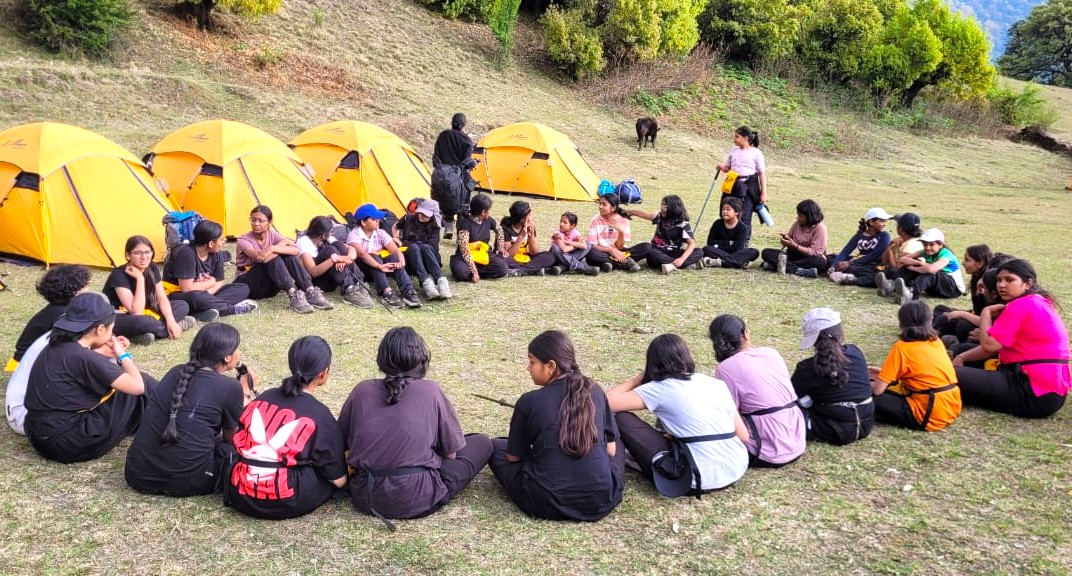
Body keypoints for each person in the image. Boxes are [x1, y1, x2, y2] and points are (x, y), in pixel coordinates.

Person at [339, 327, 492, 527]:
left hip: (366, 495)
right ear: (421, 359)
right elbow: (451, 455)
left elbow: (340, 440)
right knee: (482, 442)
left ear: (382, 359)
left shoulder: (361, 391)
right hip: (419, 496)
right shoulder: (431, 391)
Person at [489, 330, 624, 521]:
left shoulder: (529, 401)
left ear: (551, 366)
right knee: (615, 442)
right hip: (600, 499)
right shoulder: (596, 391)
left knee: (496, 447)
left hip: (544, 501)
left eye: (532, 362)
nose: (528, 369)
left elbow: (513, 457)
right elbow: (610, 450)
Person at [606, 334, 748, 496]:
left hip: (694, 478)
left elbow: (607, 402)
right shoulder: (716, 385)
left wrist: (637, 380)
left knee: (621, 417)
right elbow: (743, 436)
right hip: (736, 468)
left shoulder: (660, 388)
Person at [124, 324, 257, 496]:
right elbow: (231, 437)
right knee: (242, 450)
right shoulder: (230, 387)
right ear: (227, 357)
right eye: (237, 348)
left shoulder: (175, 372)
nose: (239, 353)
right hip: (185, 482)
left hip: (137, 474)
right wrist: (245, 390)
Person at [225, 336, 347, 520]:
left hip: (239, 492)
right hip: (283, 499)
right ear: (324, 373)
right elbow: (339, 480)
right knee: (327, 475)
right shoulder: (321, 416)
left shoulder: (265, 397)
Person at [23, 293, 148, 463]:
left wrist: (102, 352)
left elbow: (80, 364)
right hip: (68, 442)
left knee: (126, 391)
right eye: (111, 330)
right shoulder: (84, 357)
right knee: (138, 388)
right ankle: (173, 414)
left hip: (38, 435)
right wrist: (122, 355)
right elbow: (137, 385)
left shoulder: (56, 344)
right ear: (100, 329)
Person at [953, 259, 1069, 418]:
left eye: (1009, 280)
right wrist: (962, 357)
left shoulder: (1020, 306)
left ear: (1028, 284)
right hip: (1050, 394)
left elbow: (988, 345)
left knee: (948, 375)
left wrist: (986, 312)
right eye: (999, 280)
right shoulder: (1037, 302)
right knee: (963, 352)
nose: (1001, 285)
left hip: (1032, 392)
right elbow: (994, 347)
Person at [709, 314, 806, 467]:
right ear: (745, 334)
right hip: (797, 438)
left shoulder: (725, 368)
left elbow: (731, 413)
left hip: (764, 449)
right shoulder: (770, 352)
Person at [869, 301, 961, 432]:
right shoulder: (936, 342)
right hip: (951, 405)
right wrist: (883, 375)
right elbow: (922, 374)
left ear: (901, 324)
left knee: (866, 394)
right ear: (929, 322)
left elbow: (877, 390)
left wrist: (865, 384)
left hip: (927, 413)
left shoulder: (901, 347)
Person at [790, 308, 874, 445]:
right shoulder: (856, 352)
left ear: (813, 340)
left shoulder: (806, 368)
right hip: (867, 423)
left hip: (832, 429)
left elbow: (791, 397)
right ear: (840, 333)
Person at [234, 205, 330, 314]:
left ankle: (310, 291)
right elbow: (261, 258)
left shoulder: (272, 234)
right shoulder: (243, 240)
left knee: (288, 256)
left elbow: (296, 250)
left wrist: (273, 247)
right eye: (253, 220)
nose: (256, 224)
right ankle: (293, 294)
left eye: (260, 221)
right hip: (250, 284)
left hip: (271, 287)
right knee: (275, 257)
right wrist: (282, 246)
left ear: (270, 223)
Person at [103, 235, 196, 345]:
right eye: (138, 253)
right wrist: (140, 279)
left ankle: (149, 332)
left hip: (147, 311)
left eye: (148, 252)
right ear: (128, 255)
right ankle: (172, 327)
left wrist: (170, 320)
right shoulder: (119, 274)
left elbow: (161, 297)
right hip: (120, 316)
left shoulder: (151, 267)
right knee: (145, 322)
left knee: (182, 305)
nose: (144, 257)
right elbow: (136, 311)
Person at [163, 219, 258, 319]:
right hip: (178, 295)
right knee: (197, 297)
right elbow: (186, 288)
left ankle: (205, 308)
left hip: (206, 294)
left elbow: (219, 281)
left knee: (243, 288)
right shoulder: (186, 254)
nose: (223, 242)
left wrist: (208, 294)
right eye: (221, 240)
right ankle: (231, 309)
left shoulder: (217, 255)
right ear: (211, 244)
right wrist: (211, 282)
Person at [8, 264, 91, 372]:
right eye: (86, 285)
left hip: (31, 357)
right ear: (74, 290)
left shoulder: (59, 308)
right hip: (29, 363)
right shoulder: (63, 314)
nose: (88, 289)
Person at [347, 203, 422, 309]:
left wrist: (401, 260)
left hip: (382, 267)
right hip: (364, 269)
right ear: (363, 222)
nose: (378, 221)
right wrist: (379, 266)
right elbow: (362, 255)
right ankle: (385, 291)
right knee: (373, 255)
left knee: (393, 257)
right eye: (374, 219)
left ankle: (408, 290)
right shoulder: (354, 235)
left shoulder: (380, 232)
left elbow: (395, 249)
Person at [296, 215, 374, 309]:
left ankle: (359, 283)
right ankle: (349, 289)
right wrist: (334, 259)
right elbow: (313, 272)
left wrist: (346, 259)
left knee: (338, 245)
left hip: (331, 277)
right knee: (330, 249)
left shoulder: (328, 238)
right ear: (323, 235)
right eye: (330, 231)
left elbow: (352, 249)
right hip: (316, 283)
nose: (331, 233)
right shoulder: (303, 242)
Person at [877, 228, 965, 304]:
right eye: (925, 244)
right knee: (913, 265)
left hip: (952, 289)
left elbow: (931, 269)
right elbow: (902, 259)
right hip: (936, 287)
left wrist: (917, 265)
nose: (928, 247)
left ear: (940, 245)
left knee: (929, 273)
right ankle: (890, 285)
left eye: (931, 245)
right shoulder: (924, 252)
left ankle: (910, 293)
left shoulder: (946, 254)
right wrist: (914, 264)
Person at [625, 194, 702, 274]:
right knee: (649, 250)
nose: (662, 208)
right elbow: (641, 214)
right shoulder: (658, 217)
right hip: (657, 252)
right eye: (662, 204)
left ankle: (672, 265)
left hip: (675, 253)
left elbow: (691, 243)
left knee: (699, 251)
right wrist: (627, 211)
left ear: (674, 208)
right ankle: (680, 265)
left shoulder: (682, 224)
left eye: (665, 205)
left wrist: (682, 259)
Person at [932, 244, 992, 345]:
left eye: (967, 260)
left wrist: (962, 314)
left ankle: (930, 334)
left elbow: (987, 321)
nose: (963, 263)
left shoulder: (988, 286)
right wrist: (965, 312)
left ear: (980, 263)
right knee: (941, 309)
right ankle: (935, 333)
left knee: (961, 324)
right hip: (975, 318)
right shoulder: (977, 280)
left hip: (982, 326)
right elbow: (977, 311)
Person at [431, 113, 477, 239]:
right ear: (464, 124)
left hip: (441, 176)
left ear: (452, 122)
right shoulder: (467, 141)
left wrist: (442, 170)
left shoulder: (443, 136)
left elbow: (436, 157)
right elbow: (466, 162)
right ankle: (461, 235)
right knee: (464, 204)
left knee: (443, 201)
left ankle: (448, 225)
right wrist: (473, 164)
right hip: (458, 177)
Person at [397, 199, 453, 299]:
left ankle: (441, 280)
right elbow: (395, 227)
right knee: (414, 247)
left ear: (433, 215)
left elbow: (433, 245)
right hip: (411, 258)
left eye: (426, 214)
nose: (422, 216)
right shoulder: (408, 218)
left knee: (426, 247)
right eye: (421, 212)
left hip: (429, 257)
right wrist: (396, 238)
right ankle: (426, 283)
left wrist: (418, 244)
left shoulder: (435, 226)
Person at [759, 199, 828, 278]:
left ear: (810, 216)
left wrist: (795, 245)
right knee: (766, 252)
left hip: (808, 257)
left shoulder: (820, 228)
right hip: (793, 254)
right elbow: (790, 238)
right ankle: (799, 270)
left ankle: (778, 266)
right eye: (798, 215)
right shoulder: (797, 224)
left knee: (820, 261)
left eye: (801, 216)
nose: (798, 218)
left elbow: (815, 252)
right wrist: (785, 240)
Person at [716, 126, 767, 232]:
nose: (734, 139)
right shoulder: (734, 150)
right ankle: (727, 237)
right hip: (733, 184)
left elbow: (761, 174)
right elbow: (727, 167)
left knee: (745, 214)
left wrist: (763, 193)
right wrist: (722, 167)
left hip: (749, 187)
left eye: (737, 137)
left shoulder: (756, 152)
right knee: (727, 210)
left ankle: (744, 242)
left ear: (745, 138)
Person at [450, 193, 510, 282]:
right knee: (460, 272)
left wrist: (500, 247)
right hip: (465, 257)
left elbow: (500, 230)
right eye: (489, 210)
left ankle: (474, 273)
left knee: (502, 268)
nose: (490, 212)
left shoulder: (489, 220)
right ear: (483, 212)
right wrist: (474, 272)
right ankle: (475, 272)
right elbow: (464, 250)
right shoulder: (464, 224)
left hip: (484, 253)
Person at [826, 207, 892, 287]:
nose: (884, 224)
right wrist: (834, 265)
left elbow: (876, 254)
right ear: (871, 222)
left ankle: (850, 277)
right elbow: (846, 251)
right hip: (859, 261)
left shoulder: (884, 235)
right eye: (881, 221)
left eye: (885, 221)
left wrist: (850, 263)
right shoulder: (860, 235)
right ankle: (840, 273)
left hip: (874, 263)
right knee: (830, 259)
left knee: (853, 268)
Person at [584, 192, 649, 273]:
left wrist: (621, 232)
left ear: (613, 208)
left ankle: (609, 264)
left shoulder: (623, 220)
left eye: (604, 204)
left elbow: (619, 246)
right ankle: (626, 263)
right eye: (600, 204)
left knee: (647, 247)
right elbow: (593, 245)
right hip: (603, 251)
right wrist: (611, 250)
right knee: (590, 252)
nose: (600, 207)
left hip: (620, 251)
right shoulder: (595, 220)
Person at [501, 201, 558, 276]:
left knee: (549, 256)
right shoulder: (505, 228)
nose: (531, 217)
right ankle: (533, 269)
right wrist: (521, 236)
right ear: (522, 218)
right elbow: (509, 254)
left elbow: (534, 252)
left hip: (525, 258)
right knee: (503, 260)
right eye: (530, 215)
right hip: (512, 260)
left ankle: (521, 271)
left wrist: (531, 236)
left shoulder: (530, 227)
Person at [700, 197, 759, 269]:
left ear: (736, 212)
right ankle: (737, 263)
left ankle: (721, 262)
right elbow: (710, 242)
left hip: (734, 253)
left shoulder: (742, 228)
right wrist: (729, 243)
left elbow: (738, 248)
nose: (725, 212)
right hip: (719, 252)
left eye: (728, 209)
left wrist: (718, 245)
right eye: (723, 209)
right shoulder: (717, 223)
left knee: (754, 252)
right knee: (706, 249)